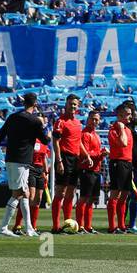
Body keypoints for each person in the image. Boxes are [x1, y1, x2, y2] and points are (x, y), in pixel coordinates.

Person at [0, 92, 48, 238]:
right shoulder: (35, 121)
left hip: (11, 158)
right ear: (35, 104)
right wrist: (49, 131)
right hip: (21, 161)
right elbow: (45, 140)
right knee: (18, 193)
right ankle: (3, 227)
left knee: (25, 193)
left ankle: (29, 228)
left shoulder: (13, 117)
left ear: (23, 103)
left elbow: (0, 135)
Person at [52, 94, 84, 233]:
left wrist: (86, 156)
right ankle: (55, 226)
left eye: (75, 104)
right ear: (66, 105)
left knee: (71, 193)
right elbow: (55, 142)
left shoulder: (78, 123)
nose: (73, 106)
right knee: (61, 192)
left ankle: (67, 224)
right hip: (64, 158)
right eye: (70, 103)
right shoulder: (60, 121)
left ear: (78, 106)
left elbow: (78, 141)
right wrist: (59, 161)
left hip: (75, 160)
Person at [107, 103, 135, 234]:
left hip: (128, 164)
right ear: (120, 115)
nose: (130, 116)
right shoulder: (114, 130)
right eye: (128, 114)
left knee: (124, 195)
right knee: (115, 195)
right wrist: (121, 128)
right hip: (117, 163)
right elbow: (123, 143)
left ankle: (122, 225)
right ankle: (112, 226)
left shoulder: (128, 129)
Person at [77, 109, 104, 233]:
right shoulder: (85, 134)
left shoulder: (95, 135)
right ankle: (80, 226)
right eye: (92, 119)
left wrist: (102, 155)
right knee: (84, 198)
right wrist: (101, 153)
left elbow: (94, 154)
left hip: (96, 169)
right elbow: (85, 153)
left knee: (92, 199)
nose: (94, 121)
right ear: (87, 119)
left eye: (96, 119)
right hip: (87, 170)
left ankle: (88, 226)